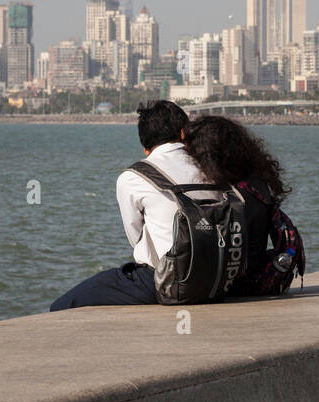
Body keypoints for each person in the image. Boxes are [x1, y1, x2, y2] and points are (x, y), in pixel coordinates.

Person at [51, 101, 211, 310]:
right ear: (183, 134)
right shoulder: (212, 165)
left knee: (63, 304)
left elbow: (136, 238)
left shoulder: (134, 177)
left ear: (145, 148)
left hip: (167, 282)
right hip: (217, 279)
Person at [182, 114, 299, 295]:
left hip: (228, 286)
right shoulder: (257, 183)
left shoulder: (223, 194)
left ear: (207, 154)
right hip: (255, 278)